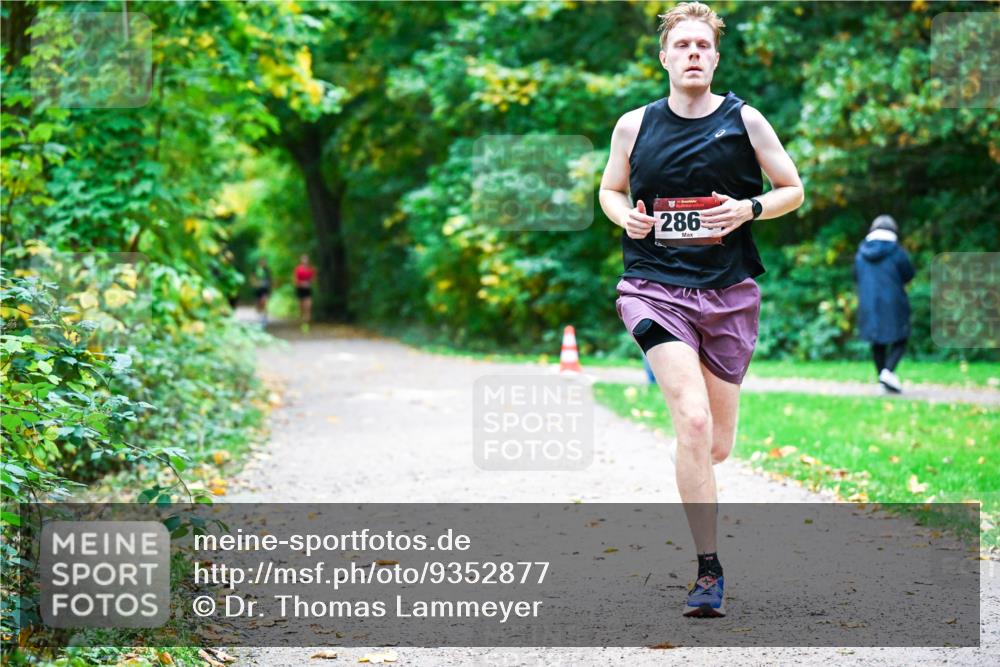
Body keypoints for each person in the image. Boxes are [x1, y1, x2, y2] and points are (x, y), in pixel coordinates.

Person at [599, 2, 804, 618]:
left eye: (702, 45)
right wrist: (624, 214)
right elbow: (610, 189)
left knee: (715, 445)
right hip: (654, 286)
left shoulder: (747, 121)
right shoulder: (634, 126)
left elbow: (793, 188)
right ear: (664, 57)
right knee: (691, 423)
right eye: (681, 44)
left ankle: (694, 465)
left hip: (728, 293)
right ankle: (708, 571)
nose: (692, 53)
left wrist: (750, 209)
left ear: (715, 57)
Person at [854, 215, 914, 394]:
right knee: (901, 337)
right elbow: (909, 274)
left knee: (877, 341)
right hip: (894, 302)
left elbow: (855, 276)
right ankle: (887, 373)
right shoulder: (897, 251)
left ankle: (883, 377)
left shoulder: (861, 252)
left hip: (868, 303)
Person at [293, 254, 316, 326]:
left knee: (308, 306)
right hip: (300, 289)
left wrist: (309, 283)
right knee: (301, 307)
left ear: (308, 260)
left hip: (308, 290)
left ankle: (306, 323)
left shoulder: (311, 269)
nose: (305, 260)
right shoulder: (298, 269)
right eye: (303, 259)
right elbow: (295, 280)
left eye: (306, 259)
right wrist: (302, 283)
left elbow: (313, 280)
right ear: (301, 260)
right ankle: (302, 321)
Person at [251, 258, 272, 326]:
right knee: (258, 304)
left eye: (264, 262)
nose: (263, 263)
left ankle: (264, 317)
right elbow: (252, 279)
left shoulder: (267, 270)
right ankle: (260, 317)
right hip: (258, 289)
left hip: (265, 289)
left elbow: (271, 279)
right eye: (262, 262)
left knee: (264, 302)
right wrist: (256, 283)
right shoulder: (256, 270)